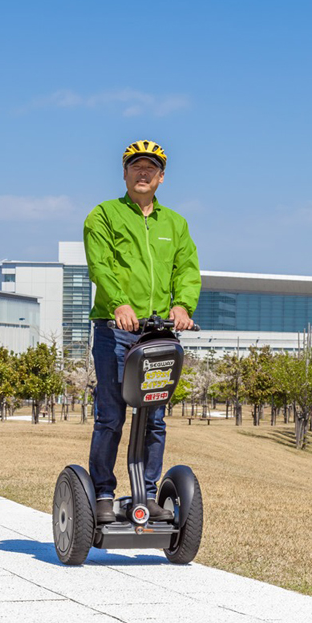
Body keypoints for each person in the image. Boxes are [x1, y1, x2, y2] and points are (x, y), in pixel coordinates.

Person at [83, 140, 201, 523]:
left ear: (161, 177)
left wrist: (183, 306)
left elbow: (187, 270)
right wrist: (119, 304)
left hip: (158, 333)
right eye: (136, 166)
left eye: (151, 167)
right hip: (114, 329)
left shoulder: (175, 224)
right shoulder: (104, 215)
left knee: (154, 419)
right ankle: (103, 493)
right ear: (125, 173)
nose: (143, 172)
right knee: (111, 416)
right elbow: (100, 266)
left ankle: (147, 494)